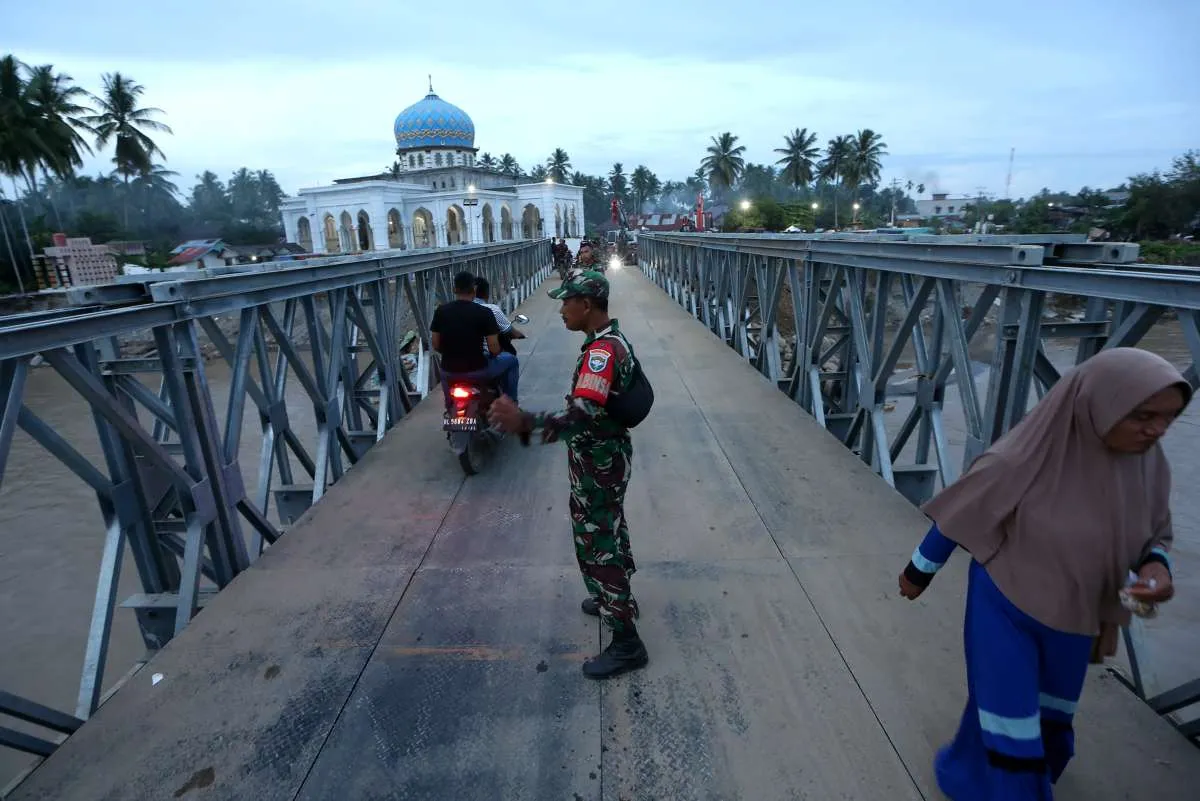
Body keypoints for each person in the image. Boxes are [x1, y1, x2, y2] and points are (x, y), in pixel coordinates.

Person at [897, 347, 1188, 800]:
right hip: (1006, 609)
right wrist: (920, 570)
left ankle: (966, 772)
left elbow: (1154, 532)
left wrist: (1155, 567)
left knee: (1049, 715)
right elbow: (960, 513)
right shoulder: (1022, 459)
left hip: (1074, 619)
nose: (1158, 430)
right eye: (1142, 416)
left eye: (1170, 418)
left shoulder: (1148, 466)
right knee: (1011, 725)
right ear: (1096, 405)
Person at [487, 271, 647, 680]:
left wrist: (523, 422)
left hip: (599, 462)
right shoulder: (605, 342)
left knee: (597, 544)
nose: (560, 310)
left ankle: (627, 640)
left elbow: (580, 417)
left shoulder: (602, 353)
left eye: (566, 302)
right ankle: (614, 596)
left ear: (587, 305)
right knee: (609, 527)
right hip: (604, 459)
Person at [430, 271, 518, 406]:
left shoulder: (441, 311)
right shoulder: (485, 312)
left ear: (454, 289)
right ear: (474, 289)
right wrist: (497, 353)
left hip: (449, 371)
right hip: (478, 370)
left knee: (450, 404)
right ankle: (511, 404)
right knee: (511, 360)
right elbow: (493, 348)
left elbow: (436, 344)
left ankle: (450, 408)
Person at [475, 276, 526, 356]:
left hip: (456, 360)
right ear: (487, 293)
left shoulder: (456, 310)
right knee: (511, 360)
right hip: (483, 359)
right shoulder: (492, 309)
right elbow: (510, 332)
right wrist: (522, 335)